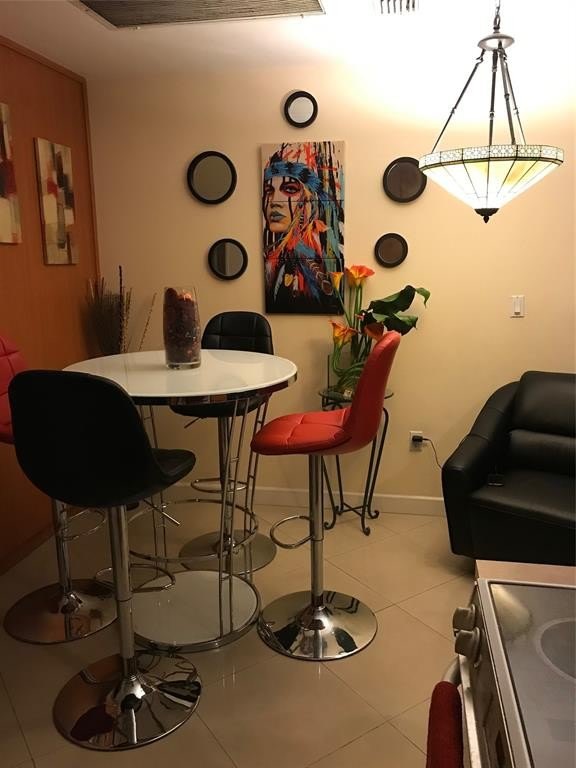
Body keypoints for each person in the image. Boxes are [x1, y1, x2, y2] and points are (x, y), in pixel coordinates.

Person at [262, 141, 344, 314]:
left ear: (309, 200)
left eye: (290, 189)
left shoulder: (326, 247)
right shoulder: (276, 257)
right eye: (269, 191)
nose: (274, 202)